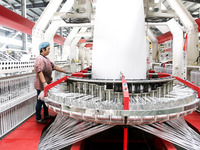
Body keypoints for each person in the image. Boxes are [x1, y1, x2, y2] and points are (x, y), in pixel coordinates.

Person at [34, 42, 68, 124]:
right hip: (41, 84)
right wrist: (44, 83)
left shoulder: (46, 59)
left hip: (47, 84)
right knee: (40, 101)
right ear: (43, 49)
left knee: (46, 100)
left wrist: (65, 71)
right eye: (48, 49)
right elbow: (39, 71)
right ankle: (38, 118)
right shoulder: (39, 59)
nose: (49, 51)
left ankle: (46, 115)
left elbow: (54, 67)